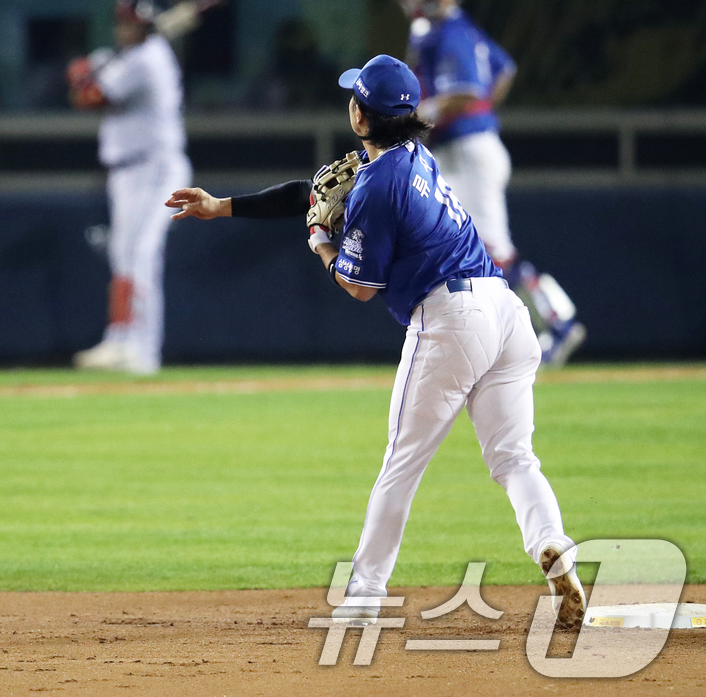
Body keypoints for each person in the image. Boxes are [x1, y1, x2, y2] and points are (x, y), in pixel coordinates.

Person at [166, 54, 585, 630]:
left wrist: (320, 242)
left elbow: (359, 286)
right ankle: (554, 545)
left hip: (452, 318)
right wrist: (224, 205)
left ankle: (364, 596)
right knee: (514, 457)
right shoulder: (414, 155)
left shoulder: (378, 186)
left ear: (361, 116)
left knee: (402, 461)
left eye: (355, 99)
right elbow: (313, 190)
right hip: (506, 312)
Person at [397, 0, 585, 367]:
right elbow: (505, 69)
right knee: (456, 246)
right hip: (463, 150)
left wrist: (430, 113)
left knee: (492, 251)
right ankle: (499, 333)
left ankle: (559, 322)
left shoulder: (448, 31)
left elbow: (467, 88)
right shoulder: (452, 28)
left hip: (468, 152)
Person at [66, 0, 193, 375]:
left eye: (131, 23)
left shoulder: (146, 59)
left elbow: (89, 95)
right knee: (123, 255)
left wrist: (86, 69)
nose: (124, 28)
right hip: (129, 171)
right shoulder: (133, 56)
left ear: (145, 25)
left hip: (156, 169)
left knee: (140, 255)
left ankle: (142, 350)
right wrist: (100, 64)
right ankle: (121, 339)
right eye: (121, 22)